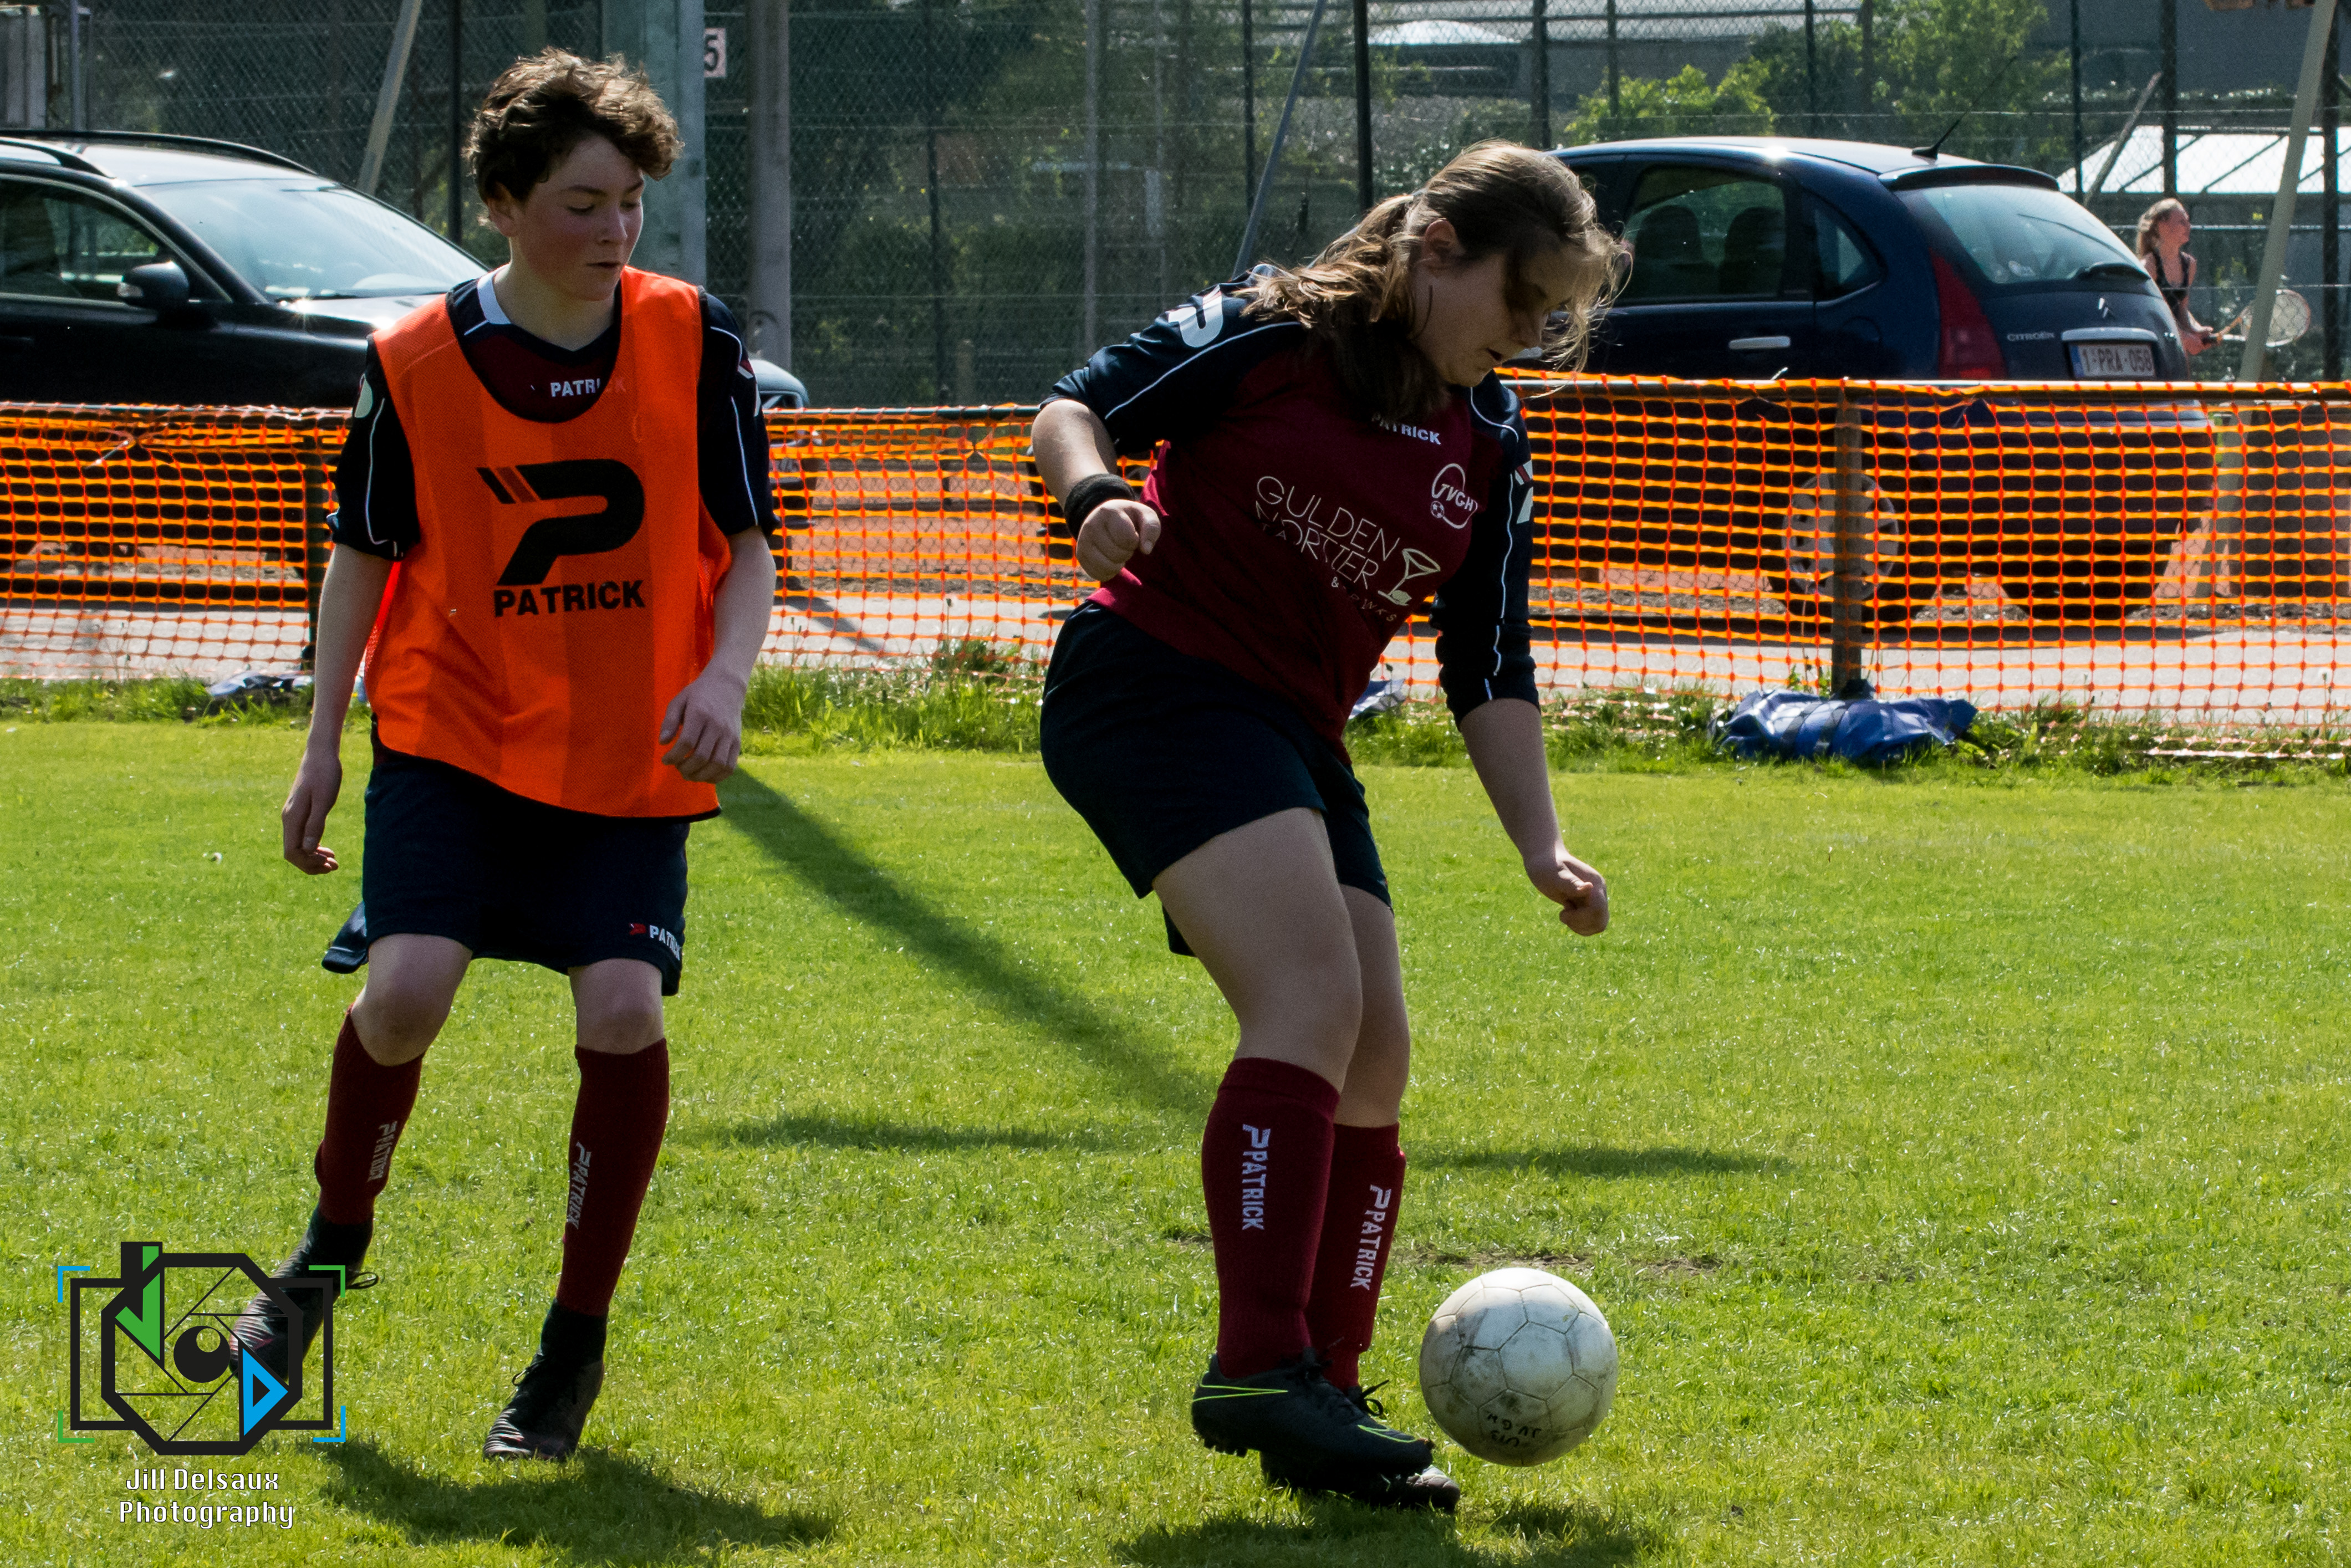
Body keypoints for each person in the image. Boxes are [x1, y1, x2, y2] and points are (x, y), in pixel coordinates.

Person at [1029, 141, 1615, 1510]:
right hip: (1154, 681)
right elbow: (1074, 405)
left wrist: (1538, 845)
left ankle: (1326, 1397)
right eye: (1518, 300)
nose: (1527, 336)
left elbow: (1486, 659)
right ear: (1435, 248)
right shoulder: (1272, 330)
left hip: (1293, 728)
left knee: (1374, 1051)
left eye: (1551, 316)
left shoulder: (1489, 439)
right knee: (1307, 998)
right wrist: (1092, 494)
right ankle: (1256, 1365)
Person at [236, 49, 778, 1462]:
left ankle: (568, 1350)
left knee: (622, 1010)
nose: (615, 231)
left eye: (630, 203)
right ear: (502, 205)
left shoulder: (694, 339)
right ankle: (324, 1260)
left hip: (627, 749)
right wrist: (320, 745)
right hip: (454, 732)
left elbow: (748, 545)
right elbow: (365, 555)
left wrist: (724, 675)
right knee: (404, 994)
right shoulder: (413, 362)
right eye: (583, 204)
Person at [2138, 197, 2219, 356]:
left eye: (2188, 221)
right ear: (2162, 225)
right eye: (2182, 222)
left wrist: (2197, 330)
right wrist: (2184, 337)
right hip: (2155, 346)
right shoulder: (2149, 266)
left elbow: (2181, 309)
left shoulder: (2189, 264)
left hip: (2175, 348)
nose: (2188, 227)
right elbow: (2156, 314)